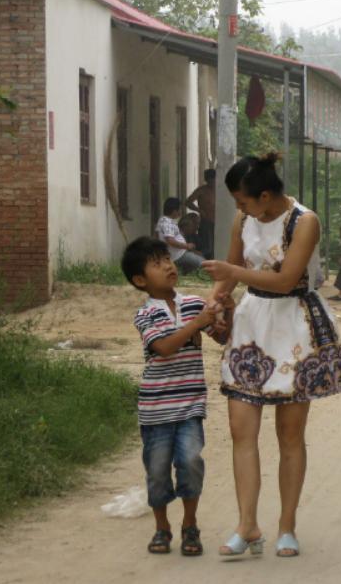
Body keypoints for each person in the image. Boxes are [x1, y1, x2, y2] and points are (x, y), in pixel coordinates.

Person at [200, 153, 341, 559]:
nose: (240, 210)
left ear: (265, 196)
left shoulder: (305, 221)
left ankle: (287, 526)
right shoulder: (243, 221)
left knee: (289, 435)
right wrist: (213, 302)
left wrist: (232, 277)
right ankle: (247, 524)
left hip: (293, 327)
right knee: (240, 431)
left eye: (244, 202)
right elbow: (229, 273)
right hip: (251, 325)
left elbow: (286, 280)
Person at [120, 236, 232, 557]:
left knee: (190, 463)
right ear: (140, 280)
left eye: (168, 260)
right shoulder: (145, 315)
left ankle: (190, 525)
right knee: (157, 472)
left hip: (190, 407)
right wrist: (198, 323)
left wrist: (226, 311)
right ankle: (161, 527)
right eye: (157, 264)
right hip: (155, 411)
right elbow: (165, 348)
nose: (169, 266)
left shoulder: (195, 303)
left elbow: (222, 337)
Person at [156, 198, 205, 275]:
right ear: (174, 211)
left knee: (194, 262)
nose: (180, 212)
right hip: (179, 254)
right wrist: (186, 246)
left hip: (176, 253)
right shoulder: (168, 223)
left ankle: (184, 272)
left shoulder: (162, 220)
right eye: (179, 210)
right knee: (202, 262)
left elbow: (157, 235)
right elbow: (170, 240)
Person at [186, 169, 216, 259]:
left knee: (217, 244)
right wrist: (199, 210)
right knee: (207, 246)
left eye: (213, 180)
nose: (212, 183)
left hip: (218, 222)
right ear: (206, 180)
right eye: (210, 181)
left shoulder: (220, 190)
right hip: (206, 221)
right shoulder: (201, 190)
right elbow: (188, 202)